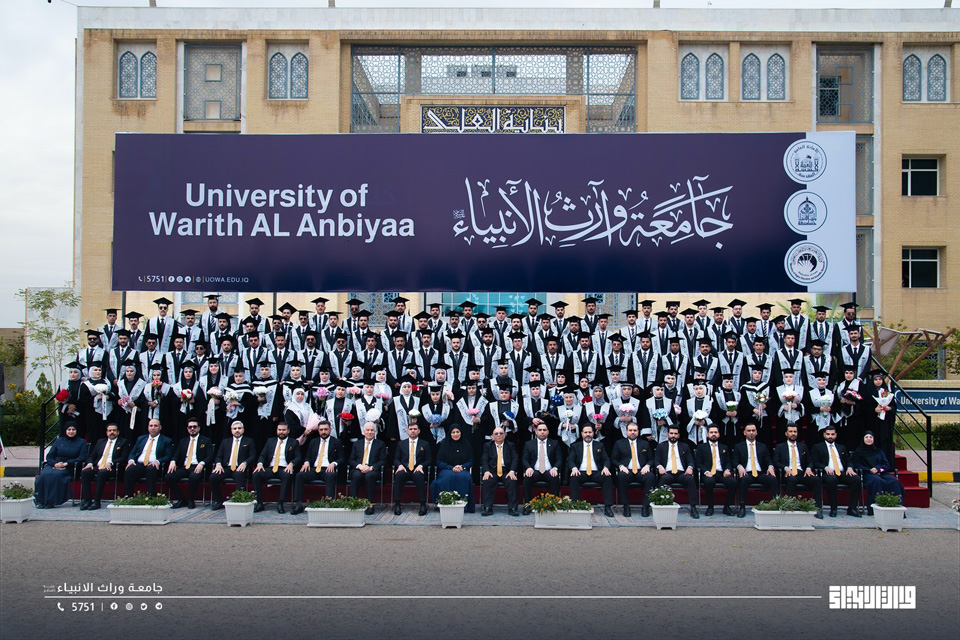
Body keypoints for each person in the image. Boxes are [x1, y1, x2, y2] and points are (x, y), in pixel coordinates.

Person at [291, 419, 343, 514]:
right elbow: (308, 456)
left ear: (330, 430)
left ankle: (329, 503)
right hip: (314, 469)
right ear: (318, 430)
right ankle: (298, 504)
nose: (323, 432)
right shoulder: (313, 442)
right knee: (300, 475)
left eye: (326, 429)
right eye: (321, 430)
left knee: (331, 476)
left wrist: (334, 463)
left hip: (327, 469)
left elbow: (342, 458)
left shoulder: (336, 442)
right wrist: (306, 462)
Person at [810, 425, 862, 517]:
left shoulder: (841, 447)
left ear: (836, 435)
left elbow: (848, 461)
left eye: (832, 434)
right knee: (832, 479)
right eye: (828, 434)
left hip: (842, 472)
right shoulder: (818, 447)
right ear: (824, 435)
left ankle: (852, 508)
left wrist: (850, 467)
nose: (830, 436)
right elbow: (815, 462)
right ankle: (833, 509)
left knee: (856, 479)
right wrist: (825, 467)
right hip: (827, 473)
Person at [774, 424, 824, 519]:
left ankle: (817, 509)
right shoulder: (780, 447)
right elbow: (776, 461)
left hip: (801, 472)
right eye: (791, 431)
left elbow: (810, 461)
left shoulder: (802, 446)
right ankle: (790, 508)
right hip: (788, 473)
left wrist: (809, 468)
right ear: (786, 433)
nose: (793, 434)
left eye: (795, 432)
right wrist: (785, 468)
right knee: (792, 480)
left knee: (816, 480)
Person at [34, 422, 89, 508]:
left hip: (69, 466)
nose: (71, 432)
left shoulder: (81, 442)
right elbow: (49, 456)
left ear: (76, 431)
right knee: (44, 474)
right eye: (69, 429)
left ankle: (51, 501)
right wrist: (55, 464)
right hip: (54, 464)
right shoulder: (59, 441)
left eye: (73, 429)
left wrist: (66, 463)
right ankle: (40, 501)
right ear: (65, 431)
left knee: (56, 475)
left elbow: (82, 457)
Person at [253, 422, 302, 513]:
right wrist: (260, 464)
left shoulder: (293, 442)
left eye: (283, 430)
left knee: (287, 475)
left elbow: (298, 457)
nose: (281, 432)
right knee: (256, 474)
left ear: (288, 431)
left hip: (284, 468)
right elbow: (263, 455)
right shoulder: (270, 441)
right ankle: (259, 503)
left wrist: (292, 464)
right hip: (271, 468)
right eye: (279, 430)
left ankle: (280, 503)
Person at [166, 418, 215, 509]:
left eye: (194, 427)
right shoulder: (183, 441)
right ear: (187, 429)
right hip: (184, 467)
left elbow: (210, 456)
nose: (192, 429)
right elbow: (177, 455)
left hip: (197, 466)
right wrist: (173, 461)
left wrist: (202, 463)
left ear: (199, 428)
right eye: (190, 427)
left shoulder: (206, 440)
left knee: (194, 477)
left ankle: (191, 499)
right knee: (169, 476)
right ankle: (181, 499)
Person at [567, 424, 615, 517]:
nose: (588, 434)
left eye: (590, 432)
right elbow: (570, 460)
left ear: (593, 433)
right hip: (581, 472)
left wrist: (605, 467)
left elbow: (606, 459)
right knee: (574, 477)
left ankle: (608, 507)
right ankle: (575, 506)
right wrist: (574, 468)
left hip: (596, 472)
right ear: (582, 434)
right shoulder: (575, 446)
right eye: (585, 432)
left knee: (607, 477)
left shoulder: (600, 445)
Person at [733, 422, 779, 517]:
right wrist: (739, 466)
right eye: (749, 431)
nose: (751, 433)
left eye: (753, 430)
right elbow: (734, 461)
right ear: (744, 432)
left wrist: (770, 466)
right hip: (746, 472)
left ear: (756, 432)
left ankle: (776, 505)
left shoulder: (762, 446)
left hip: (760, 472)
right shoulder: (739, 446)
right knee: (743, 480)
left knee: (773, 479)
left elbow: (768, 460)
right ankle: (742, 507)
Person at [210, 420, 258, 509]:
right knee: (213, 477)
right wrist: (218, 464)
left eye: (239, 428)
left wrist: (245, 463)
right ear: (231, 430)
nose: (237, 430)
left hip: (240, 467)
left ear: (243, 430)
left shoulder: (249, 441)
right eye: (235, 429)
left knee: (239, 475)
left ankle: (239, 500)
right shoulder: (225, 442)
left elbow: (253, 456)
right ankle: (218, 500)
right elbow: (219, 456)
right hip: (226, 467)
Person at [853, 431, 904, 515]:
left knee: (894, 481)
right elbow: (857, 465)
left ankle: (896, 508)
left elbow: (886, 464)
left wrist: (878, 469)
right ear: (863, 439)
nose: (869, 439)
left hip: (881, 472)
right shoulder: (858, 452)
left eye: (871, 437)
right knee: (877, 481)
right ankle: (875, 510)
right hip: (867, 473)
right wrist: (870, 470)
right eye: (866, 437)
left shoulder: (879, 451)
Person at [80, 422, 129, 510]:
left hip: (112, 468)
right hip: (98, 466)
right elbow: (92, 455)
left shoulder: (123, 442)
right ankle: (87, 500)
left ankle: (97, 501)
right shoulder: (100, 442)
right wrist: (90, 463)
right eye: (109, 430)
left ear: (118, 432)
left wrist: (111, 463)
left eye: (114, 430)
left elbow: (124, 457)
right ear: (106, 432)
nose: (112, 432)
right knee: (85, 472)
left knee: (101, 473)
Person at [611, 422, 655, 517]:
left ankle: (646, 506)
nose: (632, 432)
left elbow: (651, 459)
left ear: (638, 432)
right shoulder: (619, 443)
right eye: (630, 430)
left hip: (641, 471)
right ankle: (626, 506)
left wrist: (647, 466)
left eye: (635, 430)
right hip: (626, 471)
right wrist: (620, 466)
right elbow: (613, 459)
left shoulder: (645, 443)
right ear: (626, 431)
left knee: (650, 477)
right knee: (621, 477)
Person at [654, 426, 699, 519]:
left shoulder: (685, 446)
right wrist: (659, 467)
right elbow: (656, 460)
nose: (673, 436)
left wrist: (690, 468)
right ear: (668, 434)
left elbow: (690, 460)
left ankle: (693, 507)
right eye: (671, 433)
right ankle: (661, 506)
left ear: (678, 435)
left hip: (682, 473)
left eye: (675, 434)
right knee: (663, 480)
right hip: (667, 473)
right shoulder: (661, 446)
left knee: (690, 480)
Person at [430, 425, 476, 513]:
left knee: (464, 477)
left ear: (461, 433)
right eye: (453, 432)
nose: (455, 434)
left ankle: (464, 505)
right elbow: (439, 461)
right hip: (447, 469)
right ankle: (445, 503)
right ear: (450, 434)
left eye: (457, 432)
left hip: (462, 469)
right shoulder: (444, 444)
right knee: (448, 477)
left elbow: (471, 461)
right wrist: (451, 467)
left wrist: (462, 466)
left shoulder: (466, 445)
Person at [124, 418, 174, 496]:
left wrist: (158, 461)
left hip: (154, 465)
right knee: (130, 470)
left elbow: (168, 456)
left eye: (155, 426)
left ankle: (151, 496)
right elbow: (133, 453)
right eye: (151, 426)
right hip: (140, 464)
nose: (153, 428)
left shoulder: (166, 440)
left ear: (160, 427)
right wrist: (131, 460)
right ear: (148, 427)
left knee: (150, 469)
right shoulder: (141, 439)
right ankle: (128, 496)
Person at [521, 420, 563, 514]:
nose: (542, 432)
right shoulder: (529, 444)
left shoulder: (555, 443)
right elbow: (524, 459)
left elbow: (559, 459)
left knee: (555, 477)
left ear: (548, 432)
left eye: (544, 430)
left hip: (549, 471)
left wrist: (555, 468)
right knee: (527, 478)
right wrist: (528, 468)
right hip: (534, 471)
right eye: (540, 430)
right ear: (536, 432)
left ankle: (554, 505)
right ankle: (528, 505)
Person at [695, 424, 737, 516]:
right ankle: (710, 507)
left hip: (721, 473)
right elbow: (698, 463)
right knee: (709, 482)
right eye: (711, 432)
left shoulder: (724, 447)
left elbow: (728, 461)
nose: (713, 434)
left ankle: (727, 507)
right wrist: (706, 472)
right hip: (708, 473)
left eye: (715, 432)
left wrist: (727, 470)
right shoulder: (702, 447)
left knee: (733, 482)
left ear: (719, 434)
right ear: (707, 434)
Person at [393, 423, 432, 516]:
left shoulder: (425, 444)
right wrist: (400, 465)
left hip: (417, 469)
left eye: (415, 429)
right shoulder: (401, 444)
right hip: (405, 469)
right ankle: (397, 504)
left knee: (419, 476)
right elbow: (396, 459)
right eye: (411, 429)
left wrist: (421, 466)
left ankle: (423, 504)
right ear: (407, 431)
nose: (413, 431)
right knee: (399, 475)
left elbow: (429, 459)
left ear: (419, 431)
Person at [348, 422, 387, 513]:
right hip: (359, 468)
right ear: (363, 432)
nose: (369, 432)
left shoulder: (380, 444)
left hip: (373, 470)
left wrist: (371, 468)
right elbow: (351, 459)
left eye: (372, 430)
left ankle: (370, 504)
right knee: (356, 475)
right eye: (368, 430)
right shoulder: (357, 444)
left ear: (375, 432)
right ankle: (353, 503)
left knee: (369, 476)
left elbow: (383, 461)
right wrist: (359, 466)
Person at [480, 426, 519, 516]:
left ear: (504, 435)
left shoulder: (510, 445)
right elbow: (484, 460)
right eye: (496, 434)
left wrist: (512, 471)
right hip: (492, 471)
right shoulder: (487, 446)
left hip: (507, 471)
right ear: (492, 436)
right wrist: (486, 471)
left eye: (501, 433)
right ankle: (487, 507)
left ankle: (513, 508)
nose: (498, 435)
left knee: (512, 481)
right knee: (488, 480)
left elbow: (515, 459)